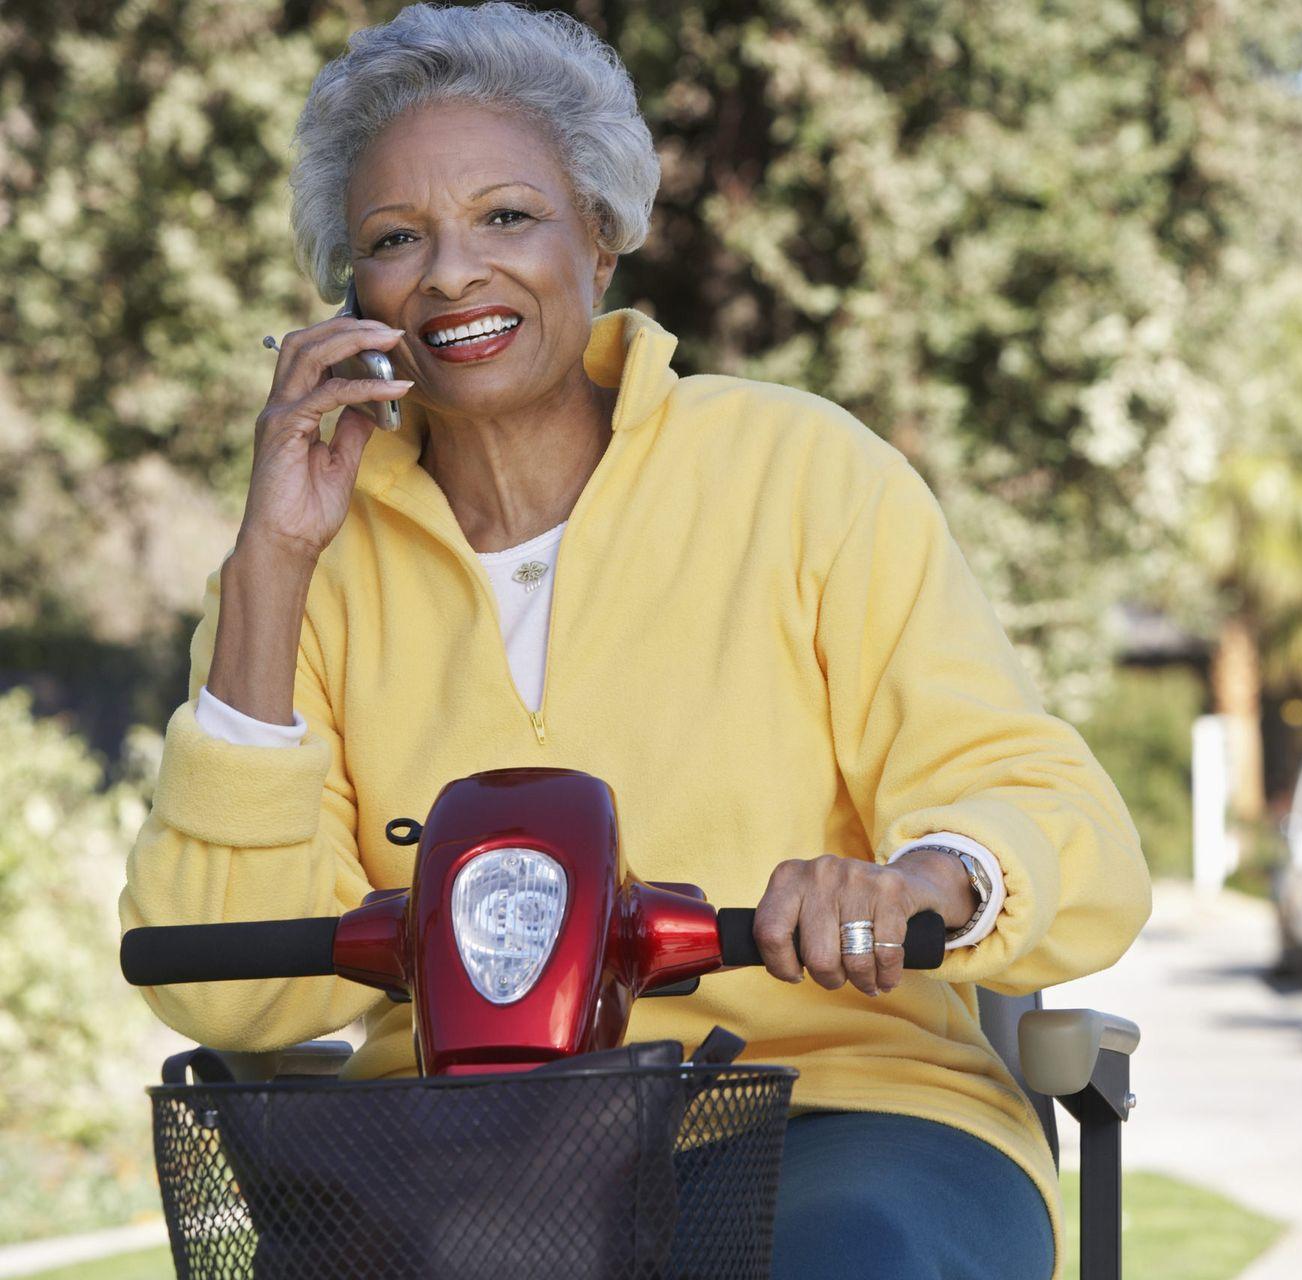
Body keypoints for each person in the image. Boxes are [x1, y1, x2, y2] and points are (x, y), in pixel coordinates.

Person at [118, 5, 1151, 1277]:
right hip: (458, 1151)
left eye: (506, 217)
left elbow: (1055, 812)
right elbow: (229, 993)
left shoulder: (798, 469)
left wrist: (918, 880)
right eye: (397, 239)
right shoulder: (299, 566)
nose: (451, 274)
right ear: (355, 291)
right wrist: (270, 559)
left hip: (837, 1105)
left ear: (599, 238)